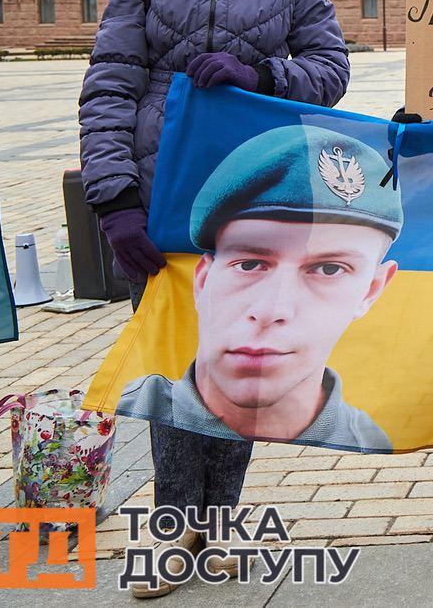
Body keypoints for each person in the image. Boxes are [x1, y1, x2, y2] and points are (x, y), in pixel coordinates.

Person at [78, 0, 348, 598]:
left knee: (239, 370)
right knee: (172, 367)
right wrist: (113, 195)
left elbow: (329, 70)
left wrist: (260, 70)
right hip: (160, 196)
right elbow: (111, 77)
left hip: (250, 196)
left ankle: (219, 527)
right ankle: (173, 532)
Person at [118, 126, 402, 450]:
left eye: (329, 269)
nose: (271, 311)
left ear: (371, 290)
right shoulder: (117, 412)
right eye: (249, 264)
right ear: (202, 280)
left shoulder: (375, 438)